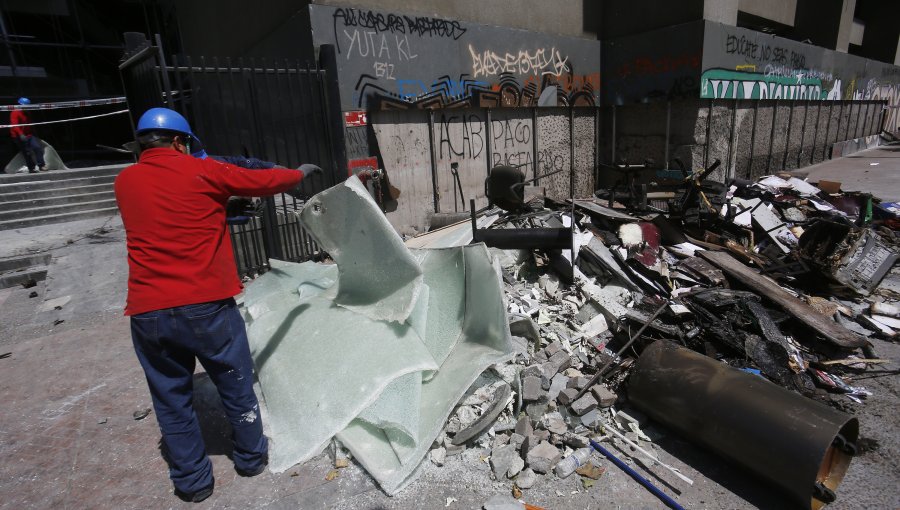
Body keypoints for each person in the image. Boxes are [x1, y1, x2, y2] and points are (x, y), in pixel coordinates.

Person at [115, 107, 322, 503]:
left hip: (148, 314)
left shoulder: (124, 181)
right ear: (180, 141)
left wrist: (218, 212)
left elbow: (167, 216)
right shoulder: (203, 172)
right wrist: (298, 174)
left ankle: (193, 485)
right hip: (206, 308)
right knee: (235, 382)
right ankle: (250, 459)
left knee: (171, 402)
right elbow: (261, 181)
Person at [9, 97, 46, 173]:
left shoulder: (27, 112)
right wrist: (21, 134)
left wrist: (33, 133)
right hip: (18, 136)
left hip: (28, 135)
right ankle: (31, 168)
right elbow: (14, 125)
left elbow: (29, 124)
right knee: (27, 152)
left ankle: (41, 165)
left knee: (37, 147)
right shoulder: (15, 112)